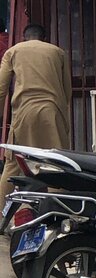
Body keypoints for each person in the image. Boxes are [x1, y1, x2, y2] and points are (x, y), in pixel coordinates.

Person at [0, 24, 72, 207]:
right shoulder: (57, 52)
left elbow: (1, 89)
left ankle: (0, 216)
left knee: (12, 166)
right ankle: (56, 214)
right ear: (44, 38)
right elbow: (67, 91)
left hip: (24, 113)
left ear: (24, 38)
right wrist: (63, 119)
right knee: (57, 166)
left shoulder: (13, 51)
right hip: (52, 112)